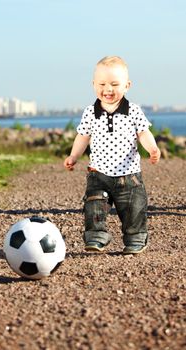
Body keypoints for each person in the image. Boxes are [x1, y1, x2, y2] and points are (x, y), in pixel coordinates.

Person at [64, 56, 161, 254]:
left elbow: (143, 132)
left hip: (129, 175)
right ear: (93, 85)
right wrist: (73, 156)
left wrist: (152, 148)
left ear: (127, 85)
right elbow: (83, 136)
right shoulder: (90, 112)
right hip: (98, 173)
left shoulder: (132, 110)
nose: (108, 89)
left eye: (114, 84)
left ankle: (135, 239)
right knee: (94, 207)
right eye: (102, 84)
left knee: (133, 209)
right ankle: (96, 236)